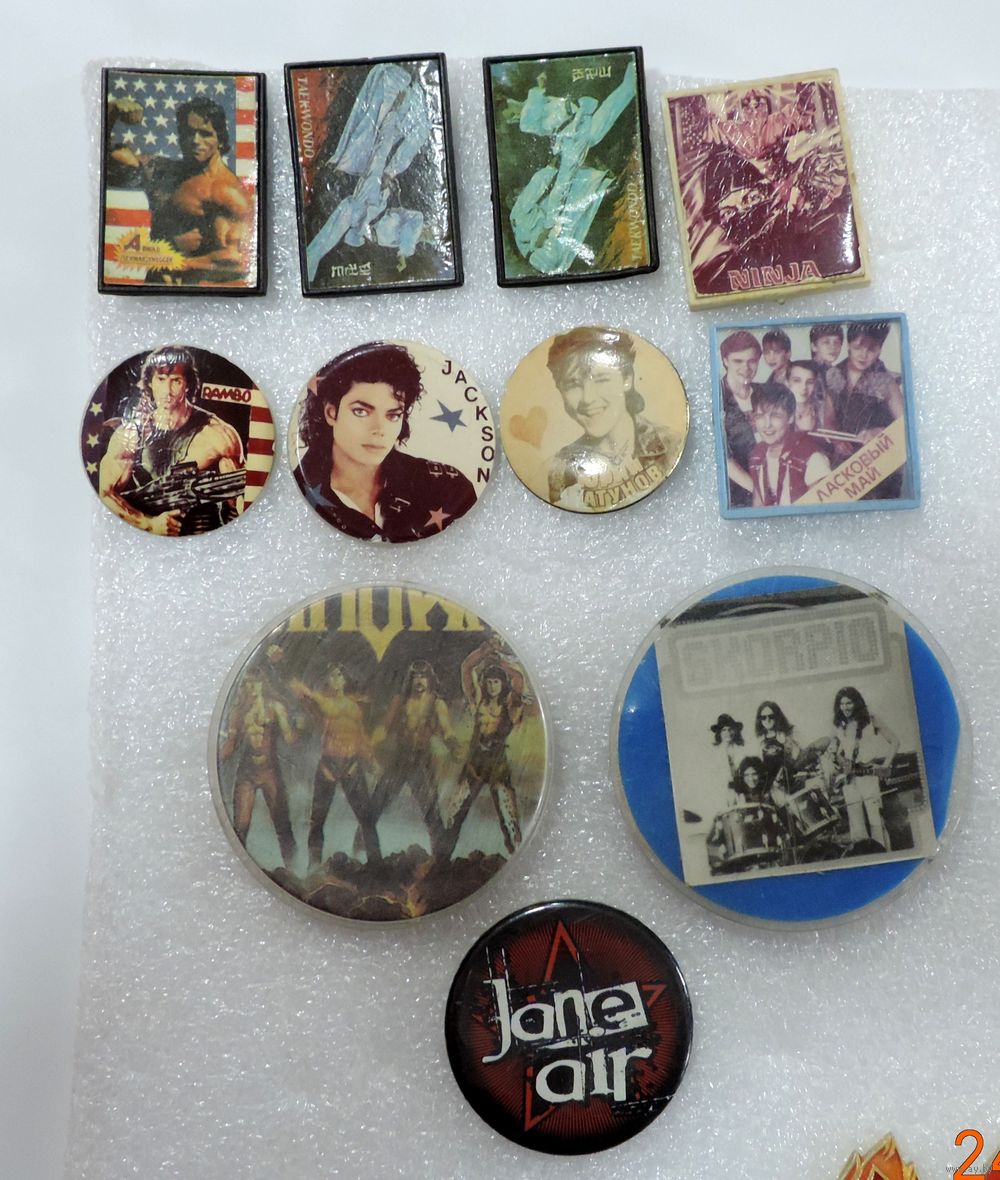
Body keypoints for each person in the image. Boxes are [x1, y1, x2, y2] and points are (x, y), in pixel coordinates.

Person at [293, 343, 476, 541]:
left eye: (393, 415)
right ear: (331, 413)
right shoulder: (300, 491)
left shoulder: (448, 487)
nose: (379, 429)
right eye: (361, 411)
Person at [305, 62, 433, 282]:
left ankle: (310, 264)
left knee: (377, 141)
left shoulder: (388, 232)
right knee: (377, 139)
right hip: (374, 198)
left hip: (366, 203)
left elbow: (387, 147)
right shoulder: (406, 227)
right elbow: (385, 148)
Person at [506, 61, 638, 274]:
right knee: (597, 130)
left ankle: (629, 83)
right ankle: (629, 85)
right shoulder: (527, 120)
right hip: (571, 136)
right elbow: (555, 194)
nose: (512, 114)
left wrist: (541, 89)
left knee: (598, 127)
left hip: (571, 134)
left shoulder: (530, 115)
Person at [98, 345, 245, 535]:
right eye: (161, 379)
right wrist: (149, 524)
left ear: (188, 384)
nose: (167, 391)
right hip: (145, 538)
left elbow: (239, 504)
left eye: (176, 380)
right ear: (150, 383)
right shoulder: (131, 434)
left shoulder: (217, 433)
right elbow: (106, 492)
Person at [108, 95, 252, 284]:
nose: (195, 140)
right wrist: (111, 114)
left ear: (220, 139)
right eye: (189, 132)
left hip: (192, 294)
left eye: (205, 134)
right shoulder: (161, 171)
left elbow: (239, 261)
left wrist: (180, 263)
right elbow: (108, 167)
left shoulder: (227, 192)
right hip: (154, 287)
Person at [544, 327, 679, 509]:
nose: (588, 398)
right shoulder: (561, 471)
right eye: (572, 384)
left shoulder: (671, 444)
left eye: (601, 379)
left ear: (627, 379)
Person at [440, 641, 528, 857]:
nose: (492, 686)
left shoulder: (510, 705)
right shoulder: (478, 701)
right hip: (476, 761)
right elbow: (466, 668)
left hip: (497, 762)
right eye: (488, 682)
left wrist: (500, 661)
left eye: (496, 682)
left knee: (509, 818)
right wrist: (484, 652)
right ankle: (442, 859)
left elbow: (518, 679)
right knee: (453, 813)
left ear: (502, 684)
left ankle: (516, 854)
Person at [289, 666, 380, 867]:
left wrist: (371, 759)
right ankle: (313, 866)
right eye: (332, 675)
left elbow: (360, 736)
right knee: (317, 820)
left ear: (345, 680)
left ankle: (376, 865)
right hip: (328, 765)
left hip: (352, 765)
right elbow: (304, 695)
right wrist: (290, 678)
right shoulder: (321, 702)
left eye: (339, 675)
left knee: (367, 819)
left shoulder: (354, 707)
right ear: (328, 680)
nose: (336, 679)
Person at [369, 660, 461, 856]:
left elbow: (446, 730)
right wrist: (370, 744)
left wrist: (454, 746)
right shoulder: (400, 701)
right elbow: (385, 726)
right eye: (416, 677)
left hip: (421, 761)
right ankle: (362, 855)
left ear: (430, 679)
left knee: (433, 815)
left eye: (423, 677)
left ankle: (440, 859)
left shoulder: (436, 703)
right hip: (400, 759)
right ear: (410, 680)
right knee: (373, 808)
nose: (419, 681)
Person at [220, 674, 298, 867]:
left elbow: (289, 738)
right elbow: (231, 745)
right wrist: (218, 755)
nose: (251, 687)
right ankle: (237, 870)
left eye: (254, 682)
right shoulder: (238, 712)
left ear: (262, 683)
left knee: (281, 823)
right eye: (247, 683)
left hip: (269, 770)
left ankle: (294, 868)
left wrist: (299, 728)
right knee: (241, 826)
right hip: (247, 771)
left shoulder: (274, 707)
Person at [829, 686, 898, 850]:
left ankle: (884, 854)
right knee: (857, 827)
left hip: (868, 775)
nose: (845, 707)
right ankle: (864, 856)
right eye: (842, 704)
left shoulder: (871, 719)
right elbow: (835, 751)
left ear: (857, 702)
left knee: (876, 822)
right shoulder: (838, 726)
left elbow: (895, 742)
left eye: (849, 703)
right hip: (849, 780)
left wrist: (885, 766)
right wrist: (836, 759)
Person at [747, 384, 832, 507]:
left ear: (791, 418)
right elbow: (758, 505)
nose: (767, 425)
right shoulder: (757, 454)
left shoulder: (812, 457)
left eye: (776, 416)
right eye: (760, 416)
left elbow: (818, 512)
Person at [718, 329, 764, 507]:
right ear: (725, 361)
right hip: (740, 496)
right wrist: (760, 492)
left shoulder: (766, 393)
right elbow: (724, 458)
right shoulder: (717, 398)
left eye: (752, 361)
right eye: (738, 361)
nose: (746, 368)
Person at [755, 701, 801, 800]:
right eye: (763, 717)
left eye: (771, 716)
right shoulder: (759, 741)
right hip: (773, 789)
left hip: (792, 783)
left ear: (777, 716)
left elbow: (800, 757)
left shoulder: (789, 734)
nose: (767, 720)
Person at [784, 358, 837, 434]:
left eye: (809, 382)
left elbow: (832, 434)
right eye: (797, 381)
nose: (804, 387)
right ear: (787, 383)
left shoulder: (822, 406)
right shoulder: (778, 407)